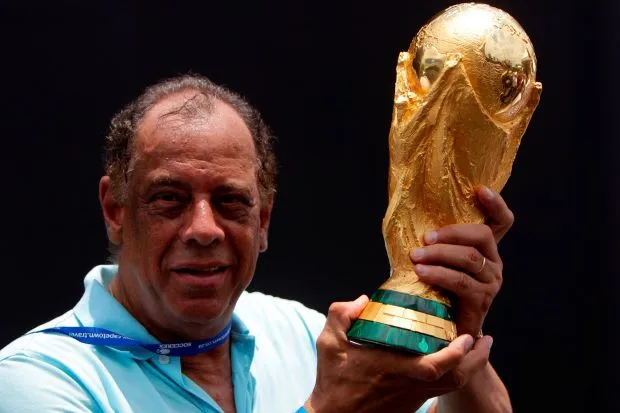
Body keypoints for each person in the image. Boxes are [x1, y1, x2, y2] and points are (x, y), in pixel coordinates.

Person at [0, 74, 514, 413]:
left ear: (263, 219)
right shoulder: (36, 379)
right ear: (115, 210)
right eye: (169, 199)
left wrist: (456, 327)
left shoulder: (302, 334)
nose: (204, 229)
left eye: (231, 201)